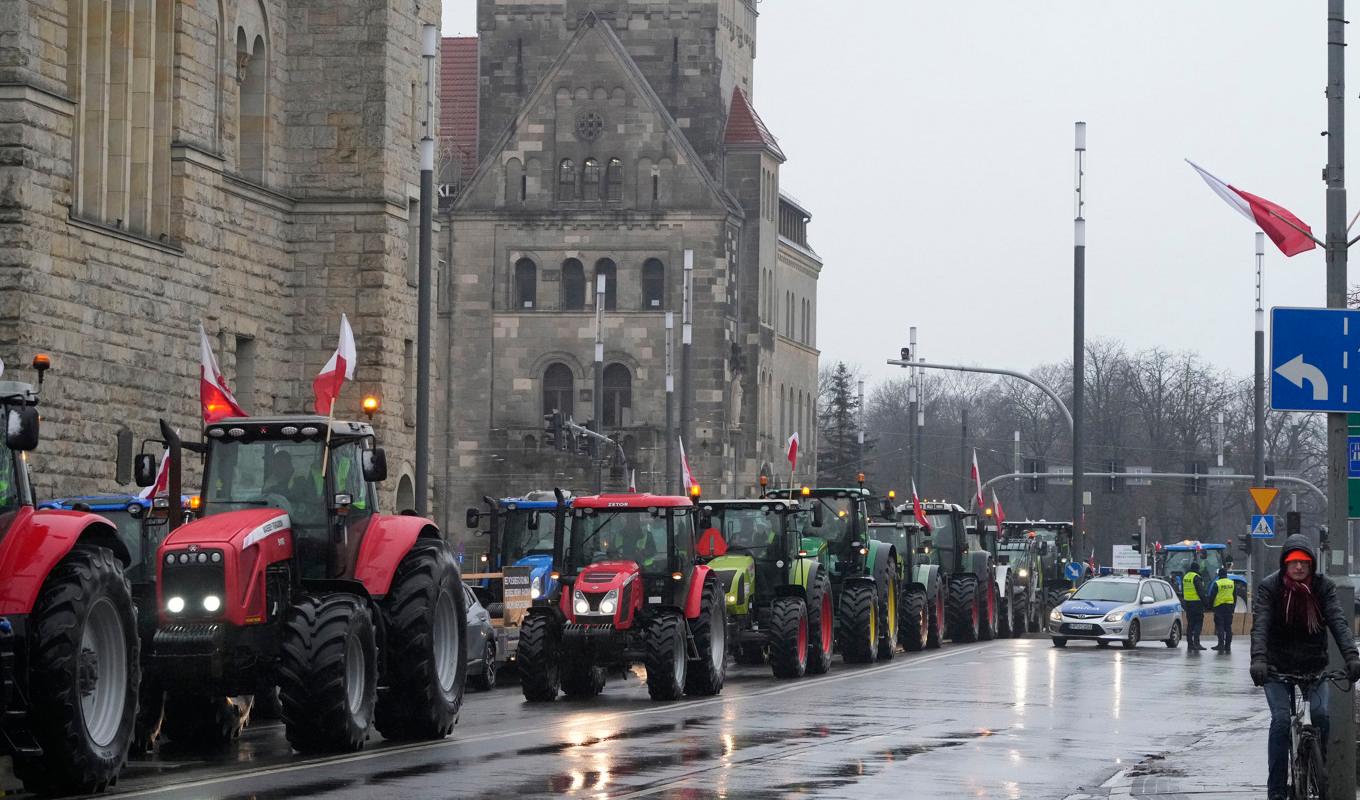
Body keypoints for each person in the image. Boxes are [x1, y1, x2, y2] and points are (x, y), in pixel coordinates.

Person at [1249, 535, 1360, 800]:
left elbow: (1338, 622)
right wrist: (1259, 660)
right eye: (1293, 562)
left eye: (1304, 562)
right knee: (1280, 722)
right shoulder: (1270, 588)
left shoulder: (1323, 588)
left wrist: (1351, 656)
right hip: (1276, 668)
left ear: (1311, 564)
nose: (1299, 567)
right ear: (1284, 564)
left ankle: (1315, 763)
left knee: (1321, 716)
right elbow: (1261, 626)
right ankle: (1276, 791)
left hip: (1314, 668)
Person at [1182, 559, 1208, 651]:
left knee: (1190, 624)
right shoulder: (1196, 577)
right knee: (1198, 623)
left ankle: (1190, 644)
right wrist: (1206, 604)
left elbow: (1183, 591)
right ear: (1197, 568)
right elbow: (1201, 592)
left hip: (1188, 603)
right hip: (1197, 603)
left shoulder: (1185, 577)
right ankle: (1197, 643)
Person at [1210, 567, 1237, 653]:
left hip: (1219, 607)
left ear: (1219, 575)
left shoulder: (1217, 583)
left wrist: (1210, 606)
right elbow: (1235, 596)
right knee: (1228, 627)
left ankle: (1220, 644)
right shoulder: (1232, 583)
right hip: (1229, 607)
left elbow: (1212, 596)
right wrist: (1233, 607)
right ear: (1226, 575)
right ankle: (1228, 646)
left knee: (1220, 626)